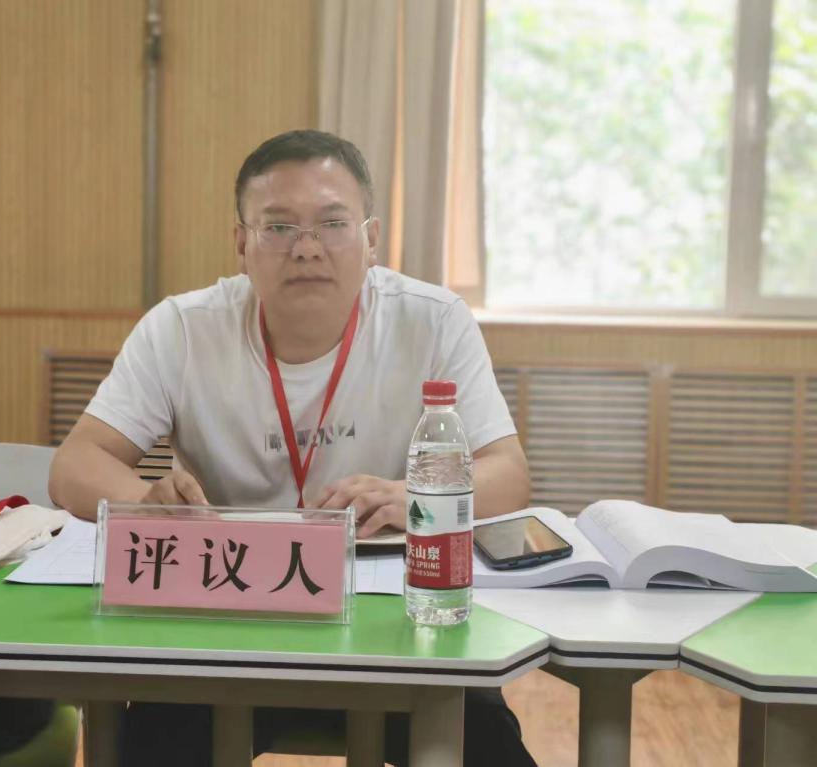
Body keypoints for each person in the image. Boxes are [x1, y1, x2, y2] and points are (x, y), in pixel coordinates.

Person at [49, 129, 536, 767]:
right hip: (226, 622)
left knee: (488, 746)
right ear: (241, 243)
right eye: (278, 227)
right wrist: (147, 500)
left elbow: (507, 473)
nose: (307, 248)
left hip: (393, 619)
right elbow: (76, 464)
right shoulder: (183, 328)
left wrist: (413, 498)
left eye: (332, 224)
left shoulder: (432, 319)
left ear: (371, 238)